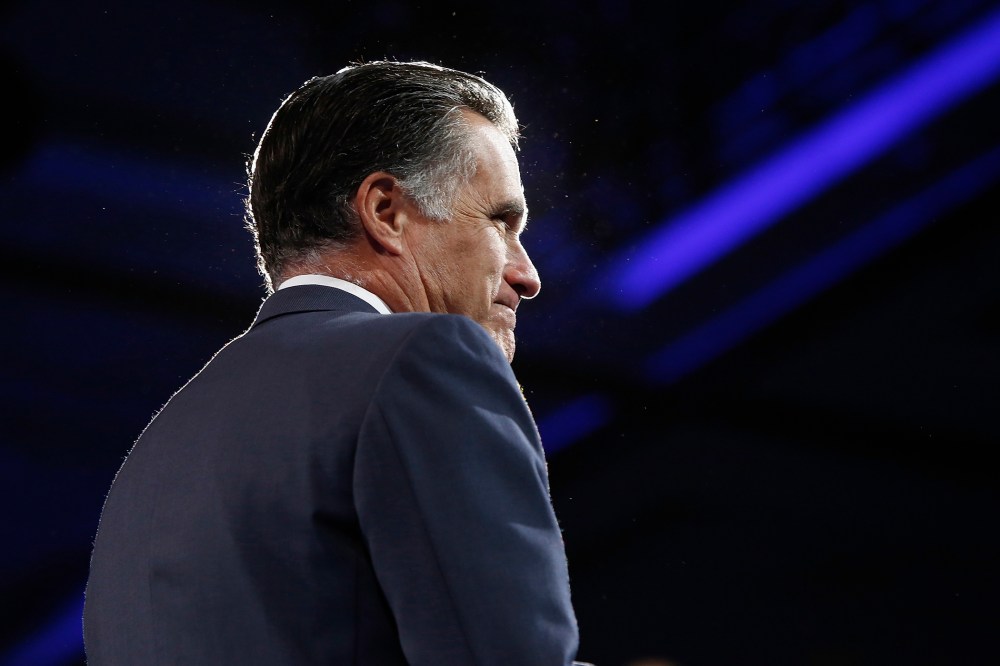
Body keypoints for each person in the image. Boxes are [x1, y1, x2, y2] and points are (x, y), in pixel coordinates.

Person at [83, 60, 588, 665]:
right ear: (386, 211)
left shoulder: (153, 456)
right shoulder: (424, 360)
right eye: (500, 223)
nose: (527, 274)